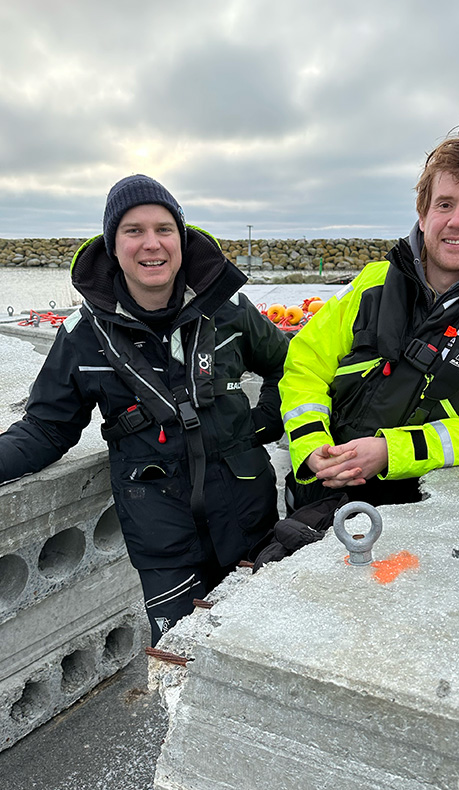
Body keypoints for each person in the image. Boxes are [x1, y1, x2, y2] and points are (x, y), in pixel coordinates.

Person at [0, 175, 288, 644]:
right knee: (180, 666)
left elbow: (290, 367)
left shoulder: (230, 308)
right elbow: (45, 430)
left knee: (259, 654)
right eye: (133, 230)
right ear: (112, 245)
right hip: (163, 545)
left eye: (164, 229)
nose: (151, 244)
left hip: (251, 521)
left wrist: (266, 421)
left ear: (182, 238)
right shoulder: (82, 335)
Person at [279, 124, 459, 510]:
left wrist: (390, 452)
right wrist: (310, 446)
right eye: (444, 204)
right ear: (423, 215)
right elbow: (305, 364)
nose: (457, 220)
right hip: (321, 489)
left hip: (424, 510)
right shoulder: (373, 282)